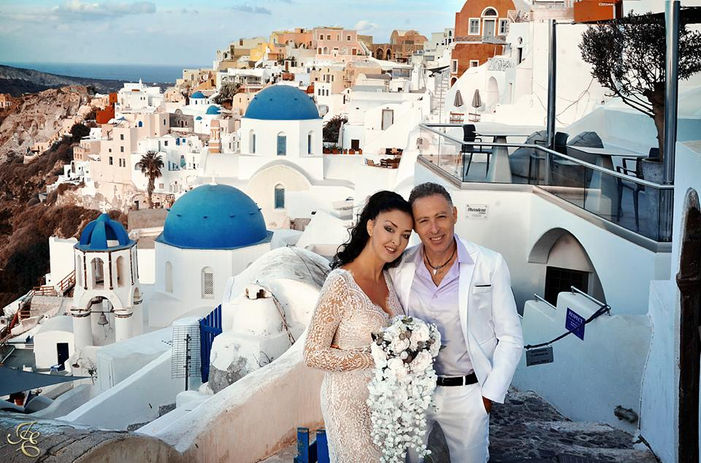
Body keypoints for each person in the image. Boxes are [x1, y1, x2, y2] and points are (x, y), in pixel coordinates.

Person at [388, 182, 523, 462]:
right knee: (408, 459)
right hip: (414, 391)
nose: (434, 228)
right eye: (424, 220)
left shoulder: (490, 263)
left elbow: (510, 337)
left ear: (455, 215)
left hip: (468, 393)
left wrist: (489, 395)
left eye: (441, 216)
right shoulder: (401, 265)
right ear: (415, 227)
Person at [304, 190, 414, 463]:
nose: (397, 241)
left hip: (386, 405)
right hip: (348, 404)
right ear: (370, 226)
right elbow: (312, 354)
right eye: (390, 229)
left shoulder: (389, 279)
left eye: (405, 235)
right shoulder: (340, 282)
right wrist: (375, 355)